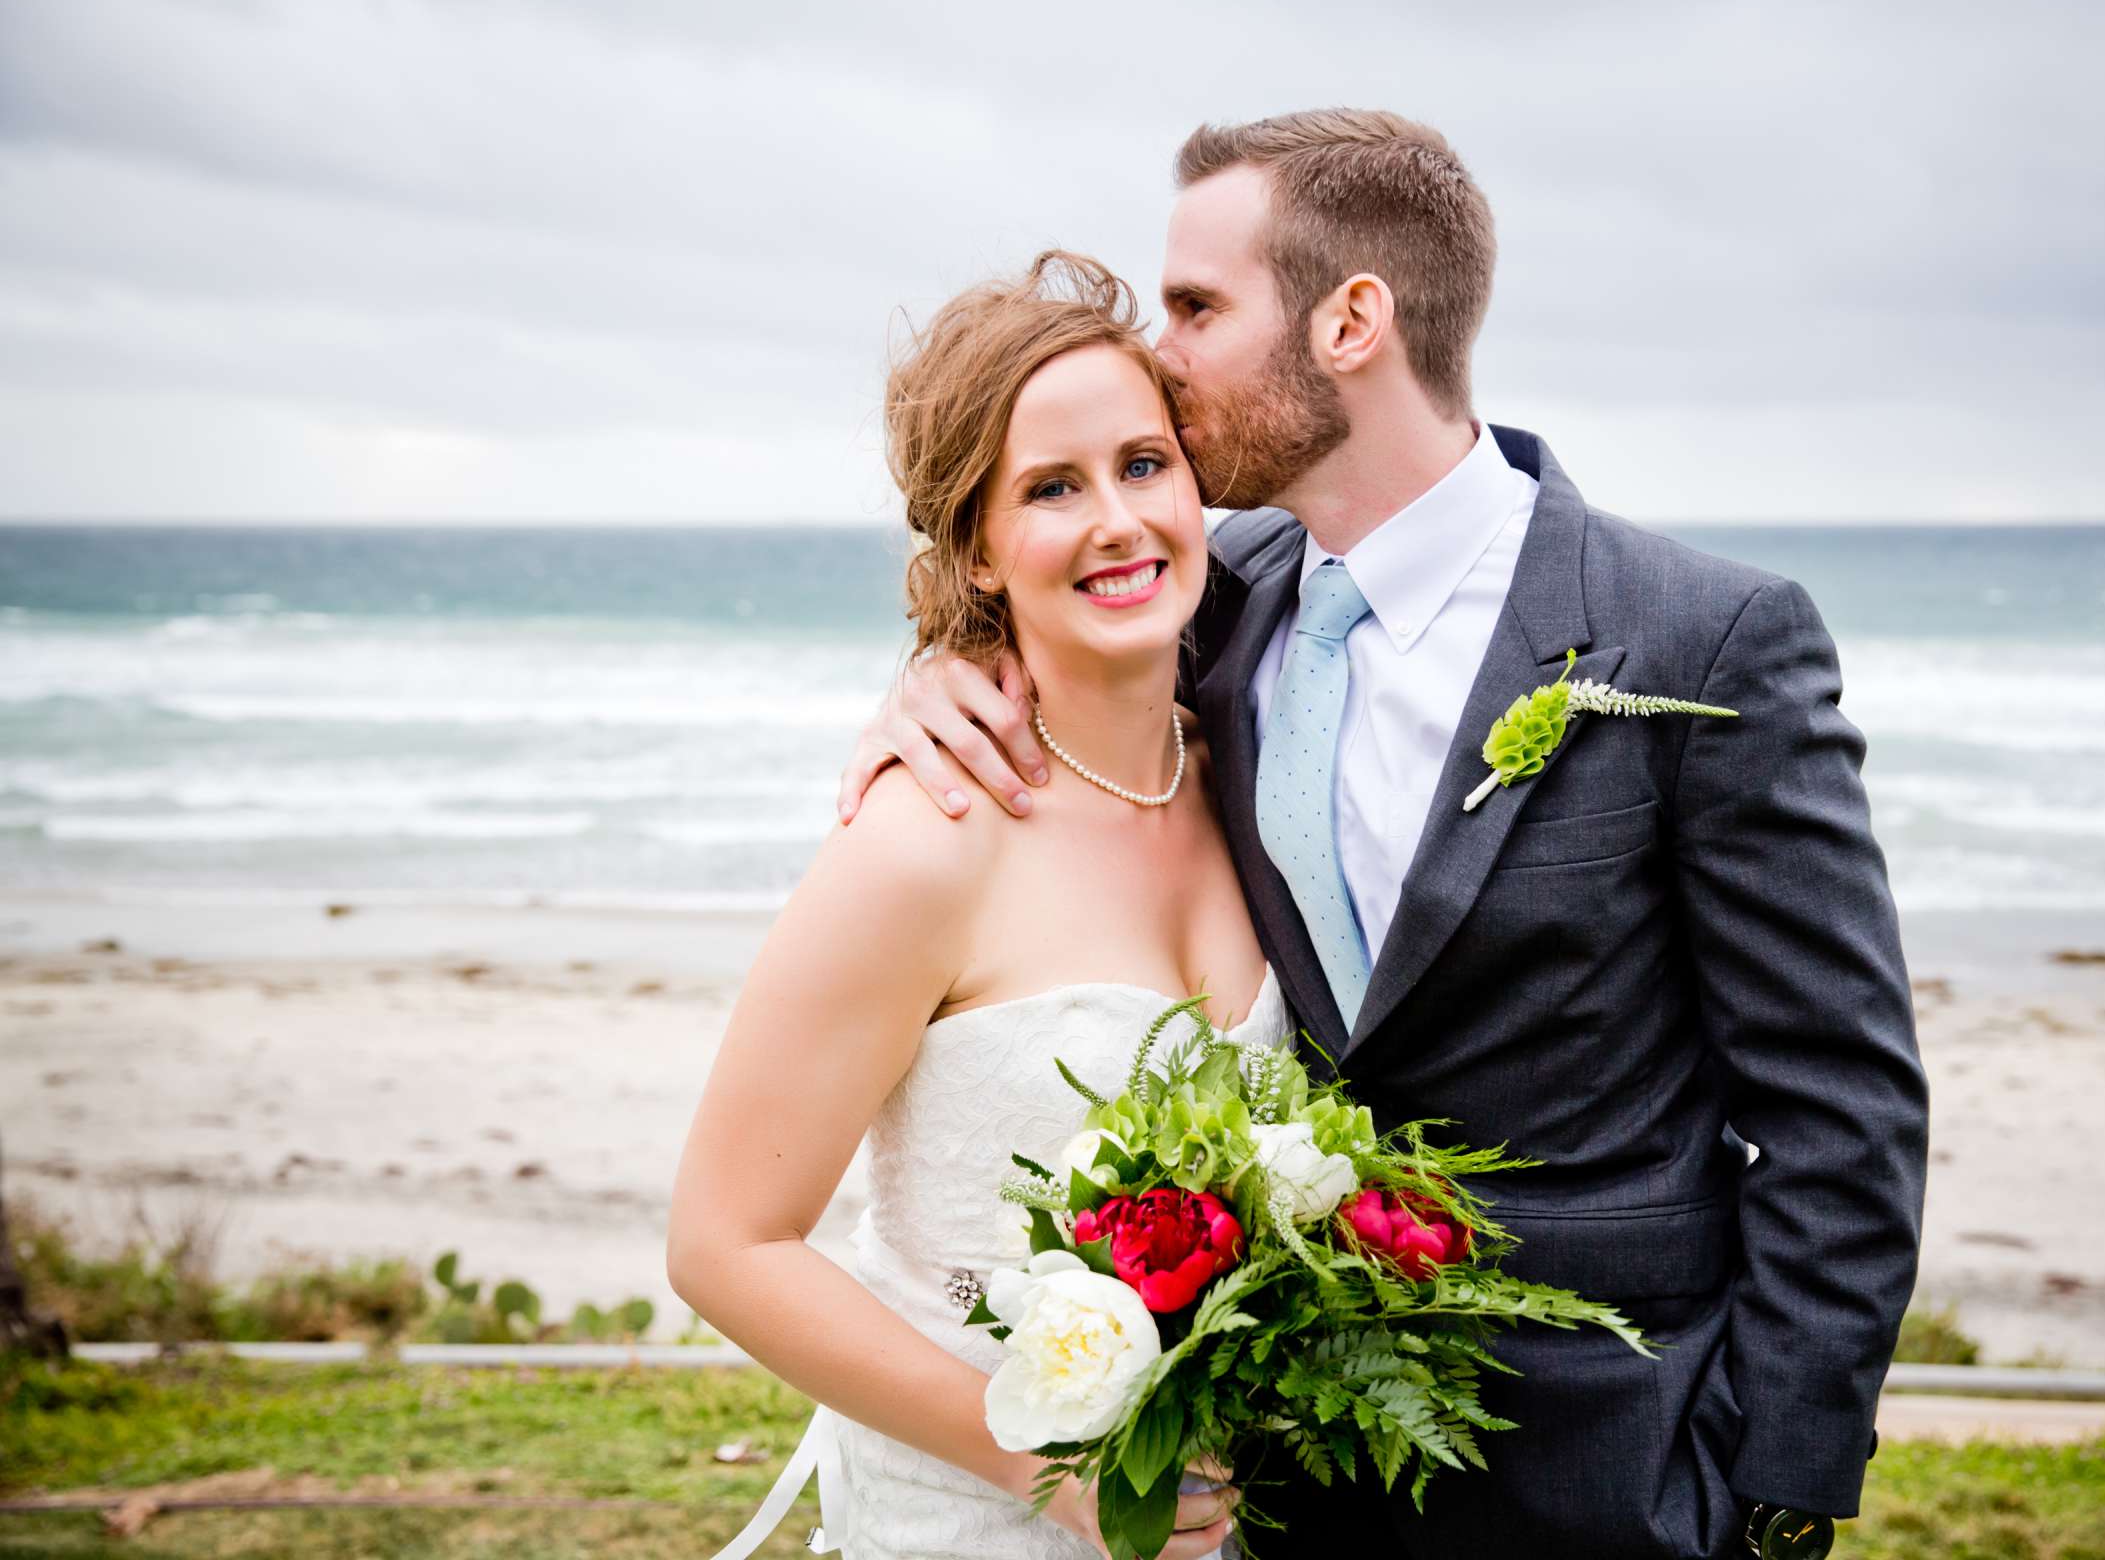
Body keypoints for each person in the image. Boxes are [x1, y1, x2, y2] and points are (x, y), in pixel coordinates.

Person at [839, 110, 1930, 1560]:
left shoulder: (1701, 640)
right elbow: (1036, 603)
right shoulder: (1209, 601)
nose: (1160, 357)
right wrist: (931, 678)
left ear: (1353, 319)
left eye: (1198, 308)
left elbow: (1837, 1106)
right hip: (1285, 1481)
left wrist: (1768, 1499)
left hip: (1625, 1469)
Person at [668, 252, 1264, 1560]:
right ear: (979, 551)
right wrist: (1051, 1467)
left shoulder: (1260, 787)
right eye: (1052, 488)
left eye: (1144, 464)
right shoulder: (924, 841)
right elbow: (725, 1243)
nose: (1117, 518)